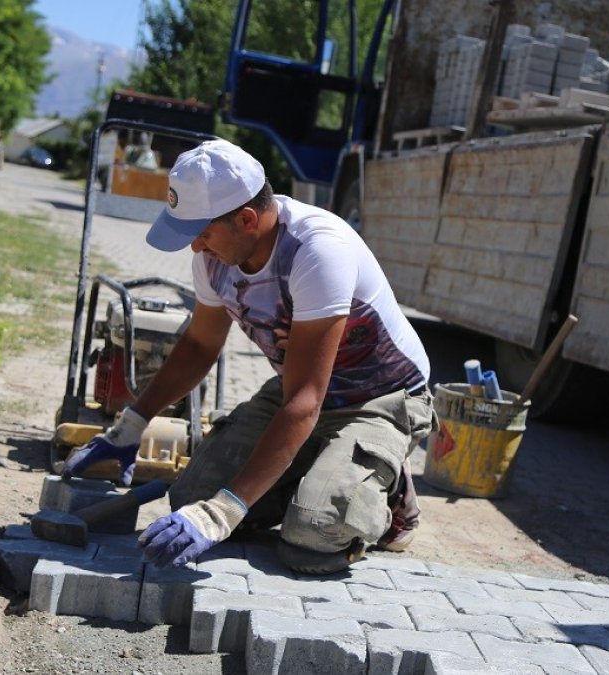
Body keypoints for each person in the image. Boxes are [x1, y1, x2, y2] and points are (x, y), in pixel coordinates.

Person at [63, 138, 434, 574]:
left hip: (380, 401)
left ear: (246, 219)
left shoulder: (317, 250)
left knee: (311, 536)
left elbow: (305, 402)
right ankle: (319, 469)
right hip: (302, 388)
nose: (195, 248)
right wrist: (130, 426)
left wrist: (223, 512)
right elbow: (200, 345)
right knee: (189, 497)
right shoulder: (216, 255)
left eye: (201, 233)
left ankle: (386, 493)